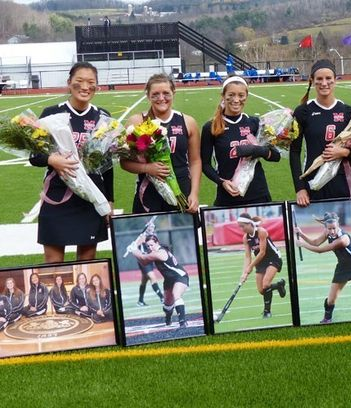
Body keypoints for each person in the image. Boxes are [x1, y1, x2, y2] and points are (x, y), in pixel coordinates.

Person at [29, 62, 113, 263]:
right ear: (69, 83)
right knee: (53, 263)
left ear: (97, 86)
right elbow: (34, 156)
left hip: (90, 198)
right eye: (80, 81)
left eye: (91, 82)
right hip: (58, 196)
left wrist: (109, 200)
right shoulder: (52, 113)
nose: (85, 87)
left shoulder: (103, 117)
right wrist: (52, 159)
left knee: (87, 261)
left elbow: (108, 164)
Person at [121, 73, 201, 214]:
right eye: (155, 94)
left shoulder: (188, 122)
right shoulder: (136, 122)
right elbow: (124, 162)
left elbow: (195, 161)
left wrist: (194, 193)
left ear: (173, 93)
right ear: (148, 95)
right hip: (148, 191)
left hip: (181, 190)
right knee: (147, 235)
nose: (161, 98)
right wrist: (147, 168)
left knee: (182, 235)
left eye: (166, 93)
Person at [290, 59, 351, 206]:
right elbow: (294, 152)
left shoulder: (348, 111)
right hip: (314, 181)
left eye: (328, 78)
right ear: (312, 81)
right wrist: (300, 188)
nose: (324, 83)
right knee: (319, 228)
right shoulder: (303, 111)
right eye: (319, 79)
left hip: (344, 180)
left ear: (335, 80)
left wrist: (343, 152)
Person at [201, 75, 280, 206]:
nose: (236, 100)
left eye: (241, 95)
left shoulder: (255, 123)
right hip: (228, 194)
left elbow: (276, 156)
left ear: (246, 96)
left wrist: (259, 151)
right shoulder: (211, 126)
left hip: (258, 193)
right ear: (223, 95)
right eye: (231, 95)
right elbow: (205, 164)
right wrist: (222, 182)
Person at [295, 212, 351, 323]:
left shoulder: (343, 239)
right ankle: (327, 319)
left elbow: (320, 250)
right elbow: (316, 243)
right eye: (329, 229)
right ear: (325, 227)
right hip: (342, 267)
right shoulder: (327, 233)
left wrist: (303, 244)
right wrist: (301, 234)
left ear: (338, 225)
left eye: (334, 228)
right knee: (330, 300)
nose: (332, 231)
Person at [129, 234, 189, 327]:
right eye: (148, 246)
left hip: (180, 276)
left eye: (152, 245)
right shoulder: (155, 251)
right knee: (167, 306)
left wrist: (134, 250)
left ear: (157, 243)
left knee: (176, 294)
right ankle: (168, 318)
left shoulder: (159, 253)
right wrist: (137, 246)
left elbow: (143, 260)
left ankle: (182, 321)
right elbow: (145, 256)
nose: (150, 247)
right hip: (168, 280)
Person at [237, 213, 286, 318]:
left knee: (266, 284)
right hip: (260, 262)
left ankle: (267, 311)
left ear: (249, 224)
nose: (241, 229)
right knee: (261, 290)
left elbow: (262, 252)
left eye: (242, 226)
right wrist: (244, 273)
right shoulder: (245, 238)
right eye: (239, 226)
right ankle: (279, 285)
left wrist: (250, 267)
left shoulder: (261, 232)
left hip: (273, 258)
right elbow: (247, 257)